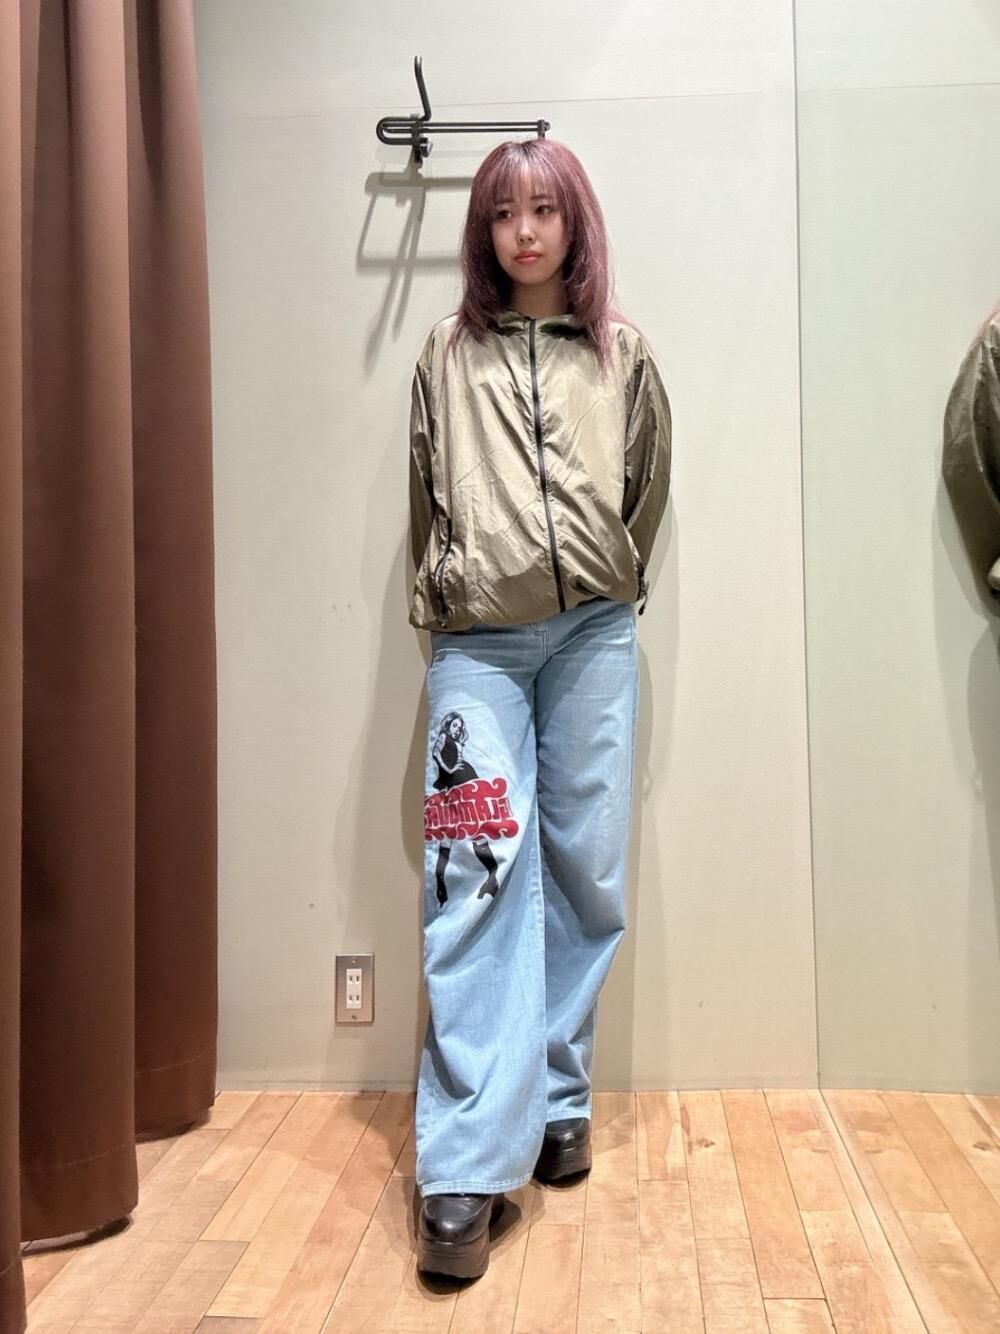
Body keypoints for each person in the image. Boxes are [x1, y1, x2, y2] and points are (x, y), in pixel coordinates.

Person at [407, 136, 672, 1280]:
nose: (524, 230)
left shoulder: (622, 352)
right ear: (484, 231)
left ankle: (560, 1100)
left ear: (574, 223)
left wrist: (609, 577)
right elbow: (427, 490)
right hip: (477, 644)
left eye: (544, 209)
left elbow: (644, 488)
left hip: (593, 637)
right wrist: (454, 589)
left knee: (585, 867)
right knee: (471, 879)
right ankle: (465, 1163)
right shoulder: (445, 352)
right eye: (504, 212)